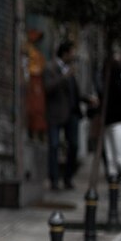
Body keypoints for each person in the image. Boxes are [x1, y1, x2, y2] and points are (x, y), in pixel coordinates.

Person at [43, 40, 84, 190]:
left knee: (74, 145)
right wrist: (64, 77)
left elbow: (74, 92)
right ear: (65, 53)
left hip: (71, 114)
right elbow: (48, 88)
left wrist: (86, 99)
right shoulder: (50, 68)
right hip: (55, 114)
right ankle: (54, 179)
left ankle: (68, 178)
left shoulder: (71, 70)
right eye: (72, 52)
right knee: (53, 146)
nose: (74, 56)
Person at [103, 51, 121, 181]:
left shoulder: (119, 81)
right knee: (112, 161)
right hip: (110, 123)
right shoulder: (108, 81)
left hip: (118, 123)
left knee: (120, 157)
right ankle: (114, 188)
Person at [24, 29, 48, 139]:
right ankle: (33, 130)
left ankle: (38, 131)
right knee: (34, 107)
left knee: (38, 107)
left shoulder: (36, 53)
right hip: (33, 81)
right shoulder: (29, 52)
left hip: (36, 81)